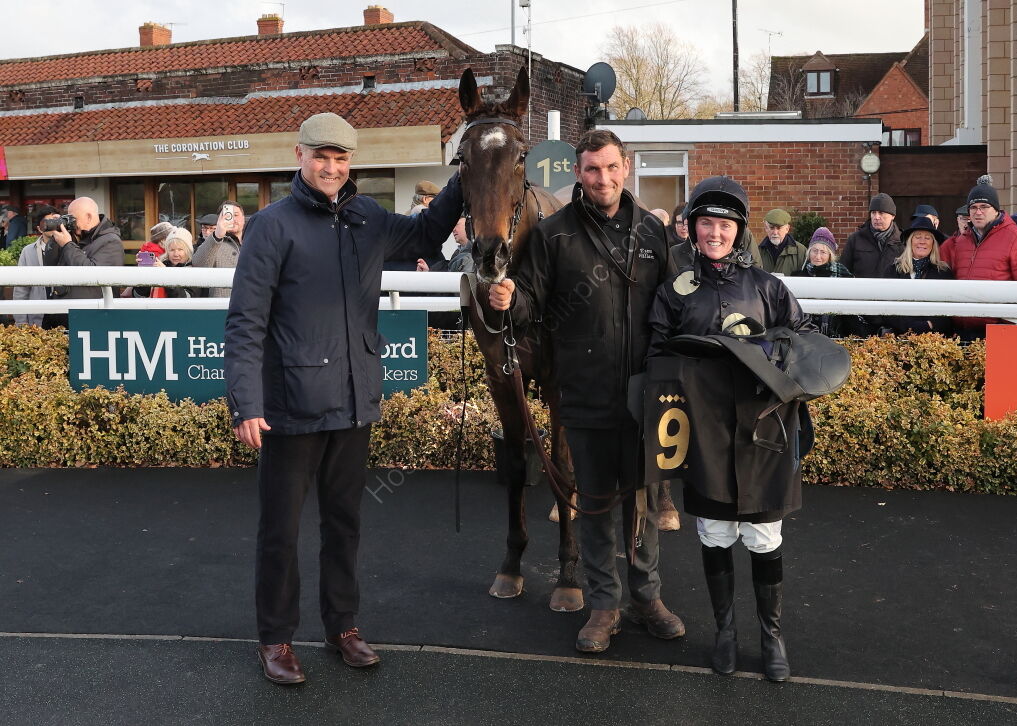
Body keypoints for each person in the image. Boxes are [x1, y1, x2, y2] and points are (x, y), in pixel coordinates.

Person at [224, 112, 462, 686]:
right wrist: (245, 403)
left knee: (345, 524)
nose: (331, 168)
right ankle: (276, 639)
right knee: (281, 530)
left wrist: (465, 169)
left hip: (355, 401)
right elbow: (245, 320)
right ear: (299, 155)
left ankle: (343, 627)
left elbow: (428, 233)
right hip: (289, 408)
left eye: (342, 159)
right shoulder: (271, 226)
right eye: (321, 157)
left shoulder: (368, 217)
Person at [488, 129, 684, 654]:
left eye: (611, 167)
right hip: (583, 392)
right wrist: (510, 298)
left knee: (642, 503)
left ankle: (647, 596)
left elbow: (678, 301)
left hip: (644, 395)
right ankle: (604, 604)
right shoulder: (553, 234)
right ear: (578, 172)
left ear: (626, 167)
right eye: (592, 169)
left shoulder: (653, 233)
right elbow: (530, 303)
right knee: (594, 505)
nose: (603, 179)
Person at [646, 175, 816, 682]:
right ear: (692, 229)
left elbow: (803, 342)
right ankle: (725, 631)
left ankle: (771, 636)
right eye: (705, 224)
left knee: (764, 536)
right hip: (705, 434)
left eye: (723, 225)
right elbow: (656, 352)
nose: (714, 233)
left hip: (764, 434)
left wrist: (773, 361)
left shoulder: (769, 287)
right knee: (716, 533)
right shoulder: (674, 292)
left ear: (739, 230)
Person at [940, 177, 1017, 339]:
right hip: (961, 331)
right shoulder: (962, 240)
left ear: (996, 210)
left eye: (984, 207)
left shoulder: (1016, 237)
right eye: (973, 207)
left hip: (1000, 329)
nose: (978, 212)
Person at [42, 196, 125, 328]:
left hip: (90, 321)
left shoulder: (111, 241)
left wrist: (68, 244)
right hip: (61, 317)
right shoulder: (74, 237)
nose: (72, 223)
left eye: (74, 219)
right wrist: (56, 235)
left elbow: (92, 275)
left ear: (89, 217)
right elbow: (50, 264)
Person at [882, 217, 953, 335]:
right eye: (918, 237)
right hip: (899, 338)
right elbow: (885, 308)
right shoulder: (893, 271)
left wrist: (929, 324)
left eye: (927, 238)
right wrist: (909, 326)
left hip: (934, 340)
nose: (922, 241)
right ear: (910, 241)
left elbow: (949, 310)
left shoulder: (943, 272)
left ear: (933, 243)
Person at [791, 227, 852, 337]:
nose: (818, 256)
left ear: (830, 255)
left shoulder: (843, 276)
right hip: (805, 336)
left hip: (837, 335)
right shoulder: (798, 277)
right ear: (809, 252)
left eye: (823, 252)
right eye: (815, 251)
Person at [12, 205, 60, 327]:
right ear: (39, 228)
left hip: (64, 315)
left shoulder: (69, 248)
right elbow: (21, 289)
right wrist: (21, 322)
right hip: (37, 318)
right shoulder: (28, 252)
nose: (52, 225)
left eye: (55, 221)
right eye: (47, 222)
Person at [840, 192, 903, 278]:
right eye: (873, 212)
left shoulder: (903, 241)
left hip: (892, 291)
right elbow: (843, 271)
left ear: (892, 216)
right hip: (862, 290)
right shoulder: (855, 239)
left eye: (881, 213)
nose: (876, 217)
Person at [192, 200, 245, 297]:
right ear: (219, 219)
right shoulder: (213, 242)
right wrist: (217, 235)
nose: (232, 219)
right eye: (227, 215)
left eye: (236, 215)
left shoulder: (254, 240)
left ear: (243, 218)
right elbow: (198, 265)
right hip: (222, 305)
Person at [758, 209, 806, 276]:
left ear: (787, 229)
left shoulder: (801, 251)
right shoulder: (758, 251)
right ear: (766, 228)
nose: (775, 232)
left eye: (779, 228)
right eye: (771, 228)